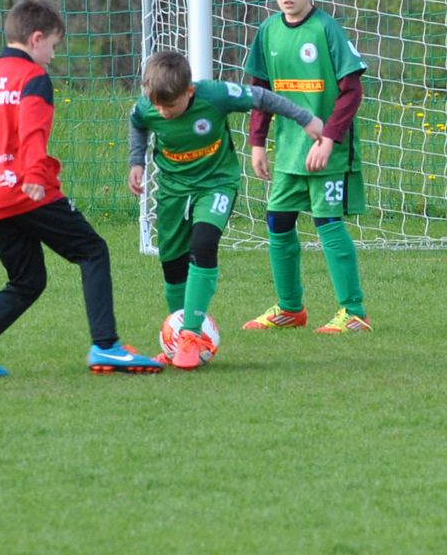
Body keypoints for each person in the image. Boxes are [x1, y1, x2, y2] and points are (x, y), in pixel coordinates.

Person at [0, 0, 164, 376]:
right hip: (25, 188)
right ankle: (107, 345)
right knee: (92, 251)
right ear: (35, 38)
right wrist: (32, 176)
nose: (52, 56)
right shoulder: (32, 77)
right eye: (53, 46)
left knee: (27, 280)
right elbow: (32, 130)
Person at [128, 49, 324, 368]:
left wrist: (305, 118)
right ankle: (177, 339)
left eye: (172, 106)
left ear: (190, 92)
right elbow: (137, 124)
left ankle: (191, 334)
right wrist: (136, 161)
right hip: (173, 190)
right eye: (158, 106)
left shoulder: (215, 96)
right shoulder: (147, 107)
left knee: (203, 244)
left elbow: (261, 97)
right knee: (172, 265)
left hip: (216, 182)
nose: (163, 113)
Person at [242, 0, 373, 334]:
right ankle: (290, 308)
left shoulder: (326, 30)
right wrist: (257, 143)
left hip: (328, 152)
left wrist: (329, 139)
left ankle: (354, 312)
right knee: (277, 221)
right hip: (289, 151)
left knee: (327, 223)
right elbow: (260, 91)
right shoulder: (268, 31)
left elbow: (352, 91)